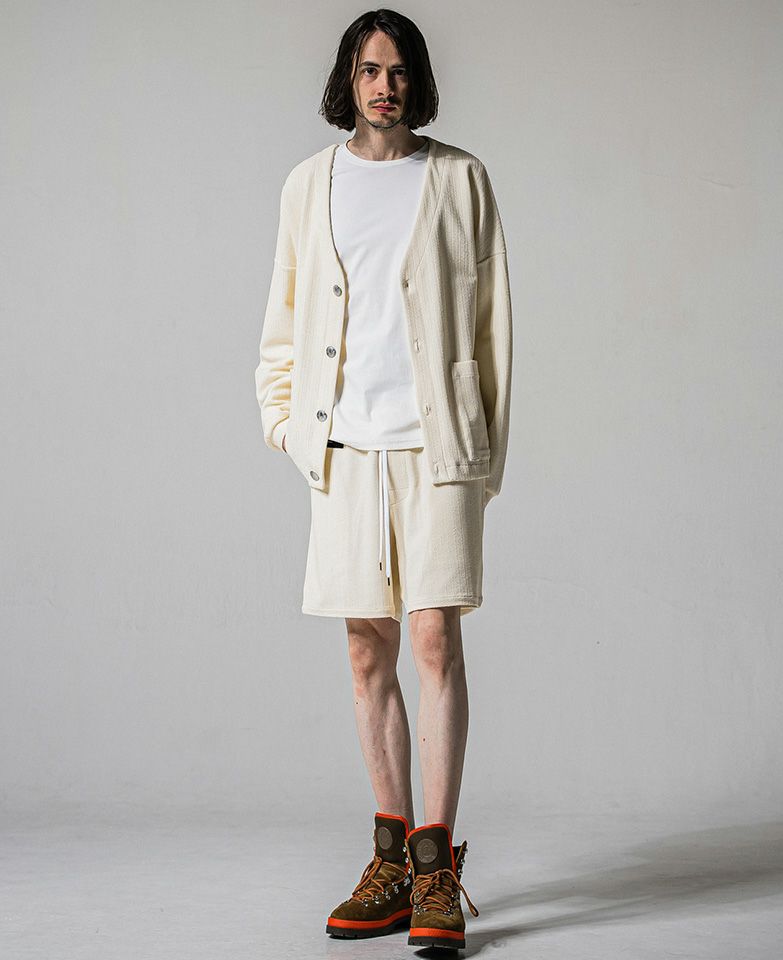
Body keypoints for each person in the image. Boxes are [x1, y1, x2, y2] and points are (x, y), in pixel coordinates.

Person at [254, 8, 512, 951]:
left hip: (437, 447)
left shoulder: (459, 179)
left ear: (417, 80)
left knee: (434, 637)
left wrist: (482, 453)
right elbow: (283, 322)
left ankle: (438, 866)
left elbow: (492, 329)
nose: (384, 86)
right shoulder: (308, 184)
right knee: (368, 651)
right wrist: (288, 427)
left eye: (398, 70)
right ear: (348, 79)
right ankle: (392, 860)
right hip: (344, 449)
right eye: (369, 69)